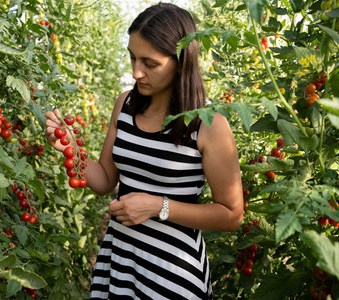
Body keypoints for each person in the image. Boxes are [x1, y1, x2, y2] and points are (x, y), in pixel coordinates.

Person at [45, 2, 243, 299]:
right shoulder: (125, 104)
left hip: (172, 272)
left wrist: (158, 206)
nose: (137, 72)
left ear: (181, 61)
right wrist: (70, 149)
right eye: (132, 58)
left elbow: (231, 214)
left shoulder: (208, 124)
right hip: (121, 258)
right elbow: (104, 181)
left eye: (149, 64)